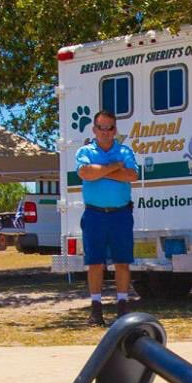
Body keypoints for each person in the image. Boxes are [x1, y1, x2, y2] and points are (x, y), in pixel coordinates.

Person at [74, 108, 139, 324]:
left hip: (120, 215)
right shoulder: (85, 151)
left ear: (114, 130)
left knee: (122, 262)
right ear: (94, 129)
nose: (105, 131)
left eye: (109, 127)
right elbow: (85, 173)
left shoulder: (125, 152)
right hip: (94, 215)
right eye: (101, 127)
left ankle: (122, 306)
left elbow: (131, 175)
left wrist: (100, 171)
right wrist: (113, 168)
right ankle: (96, 310)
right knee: (95, 263)